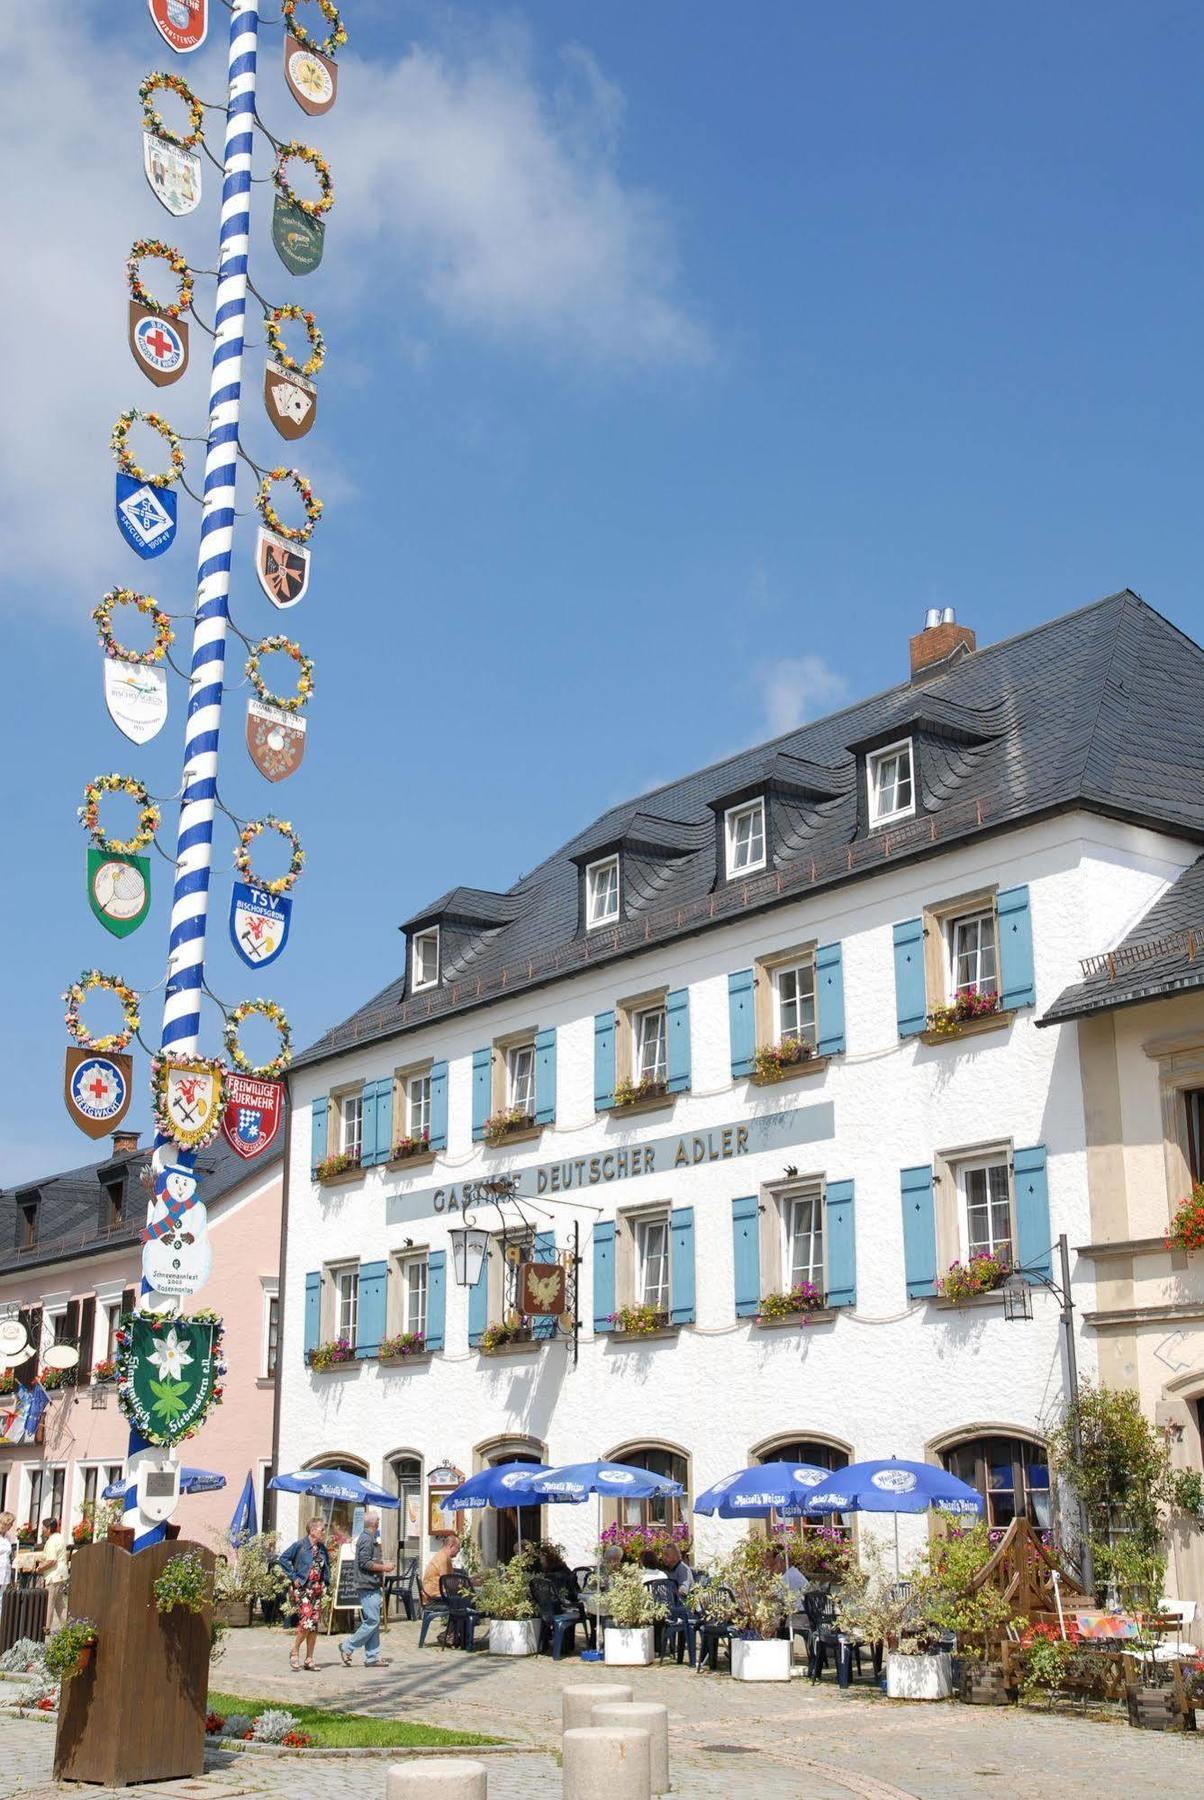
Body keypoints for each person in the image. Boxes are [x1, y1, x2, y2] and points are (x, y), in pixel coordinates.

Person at [340, 1509, 394, 1668]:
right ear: (375, 1523)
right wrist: (384, 1567)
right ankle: (347, 1646)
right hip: (367, 1584)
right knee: (372, 1620)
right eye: (378, 1521)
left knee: (374, 1622)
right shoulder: (366, 1539)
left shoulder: (370, 1538)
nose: (379, 1523)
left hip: (372, 1584)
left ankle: (372, 1657)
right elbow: (364, 1563)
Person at [277, 1515, 331, 1671]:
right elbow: (283, 1559)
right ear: (313, 1530)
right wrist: (293, 1577)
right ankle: (294, 1650)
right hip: (303, 1589)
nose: (324, 1532)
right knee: (306, 1619)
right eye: (322, 1529)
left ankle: (309, 1659)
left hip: (317, 1590)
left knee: (313, 1625)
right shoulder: (300, 1545)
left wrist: (327, 1583)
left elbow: (326, 1567)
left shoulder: (322, 1548)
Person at [35, 1516, 68, 1629]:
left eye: (43, 1528)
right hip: (61, 1574)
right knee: (59, 1604)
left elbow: (52, 1560)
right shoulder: (60, 1537)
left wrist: (40, 1568)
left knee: (49, 1603)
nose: (42, 1530)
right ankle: (68, 1627)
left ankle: (46, 1628)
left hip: (54, 1576)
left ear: (48, 1528)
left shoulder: (52, 1541)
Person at [0, 1512, 14, 1593]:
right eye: (11, 1523)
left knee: (2, 1594)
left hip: (5, 1568)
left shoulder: (8, 1536)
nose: (11, 1526)